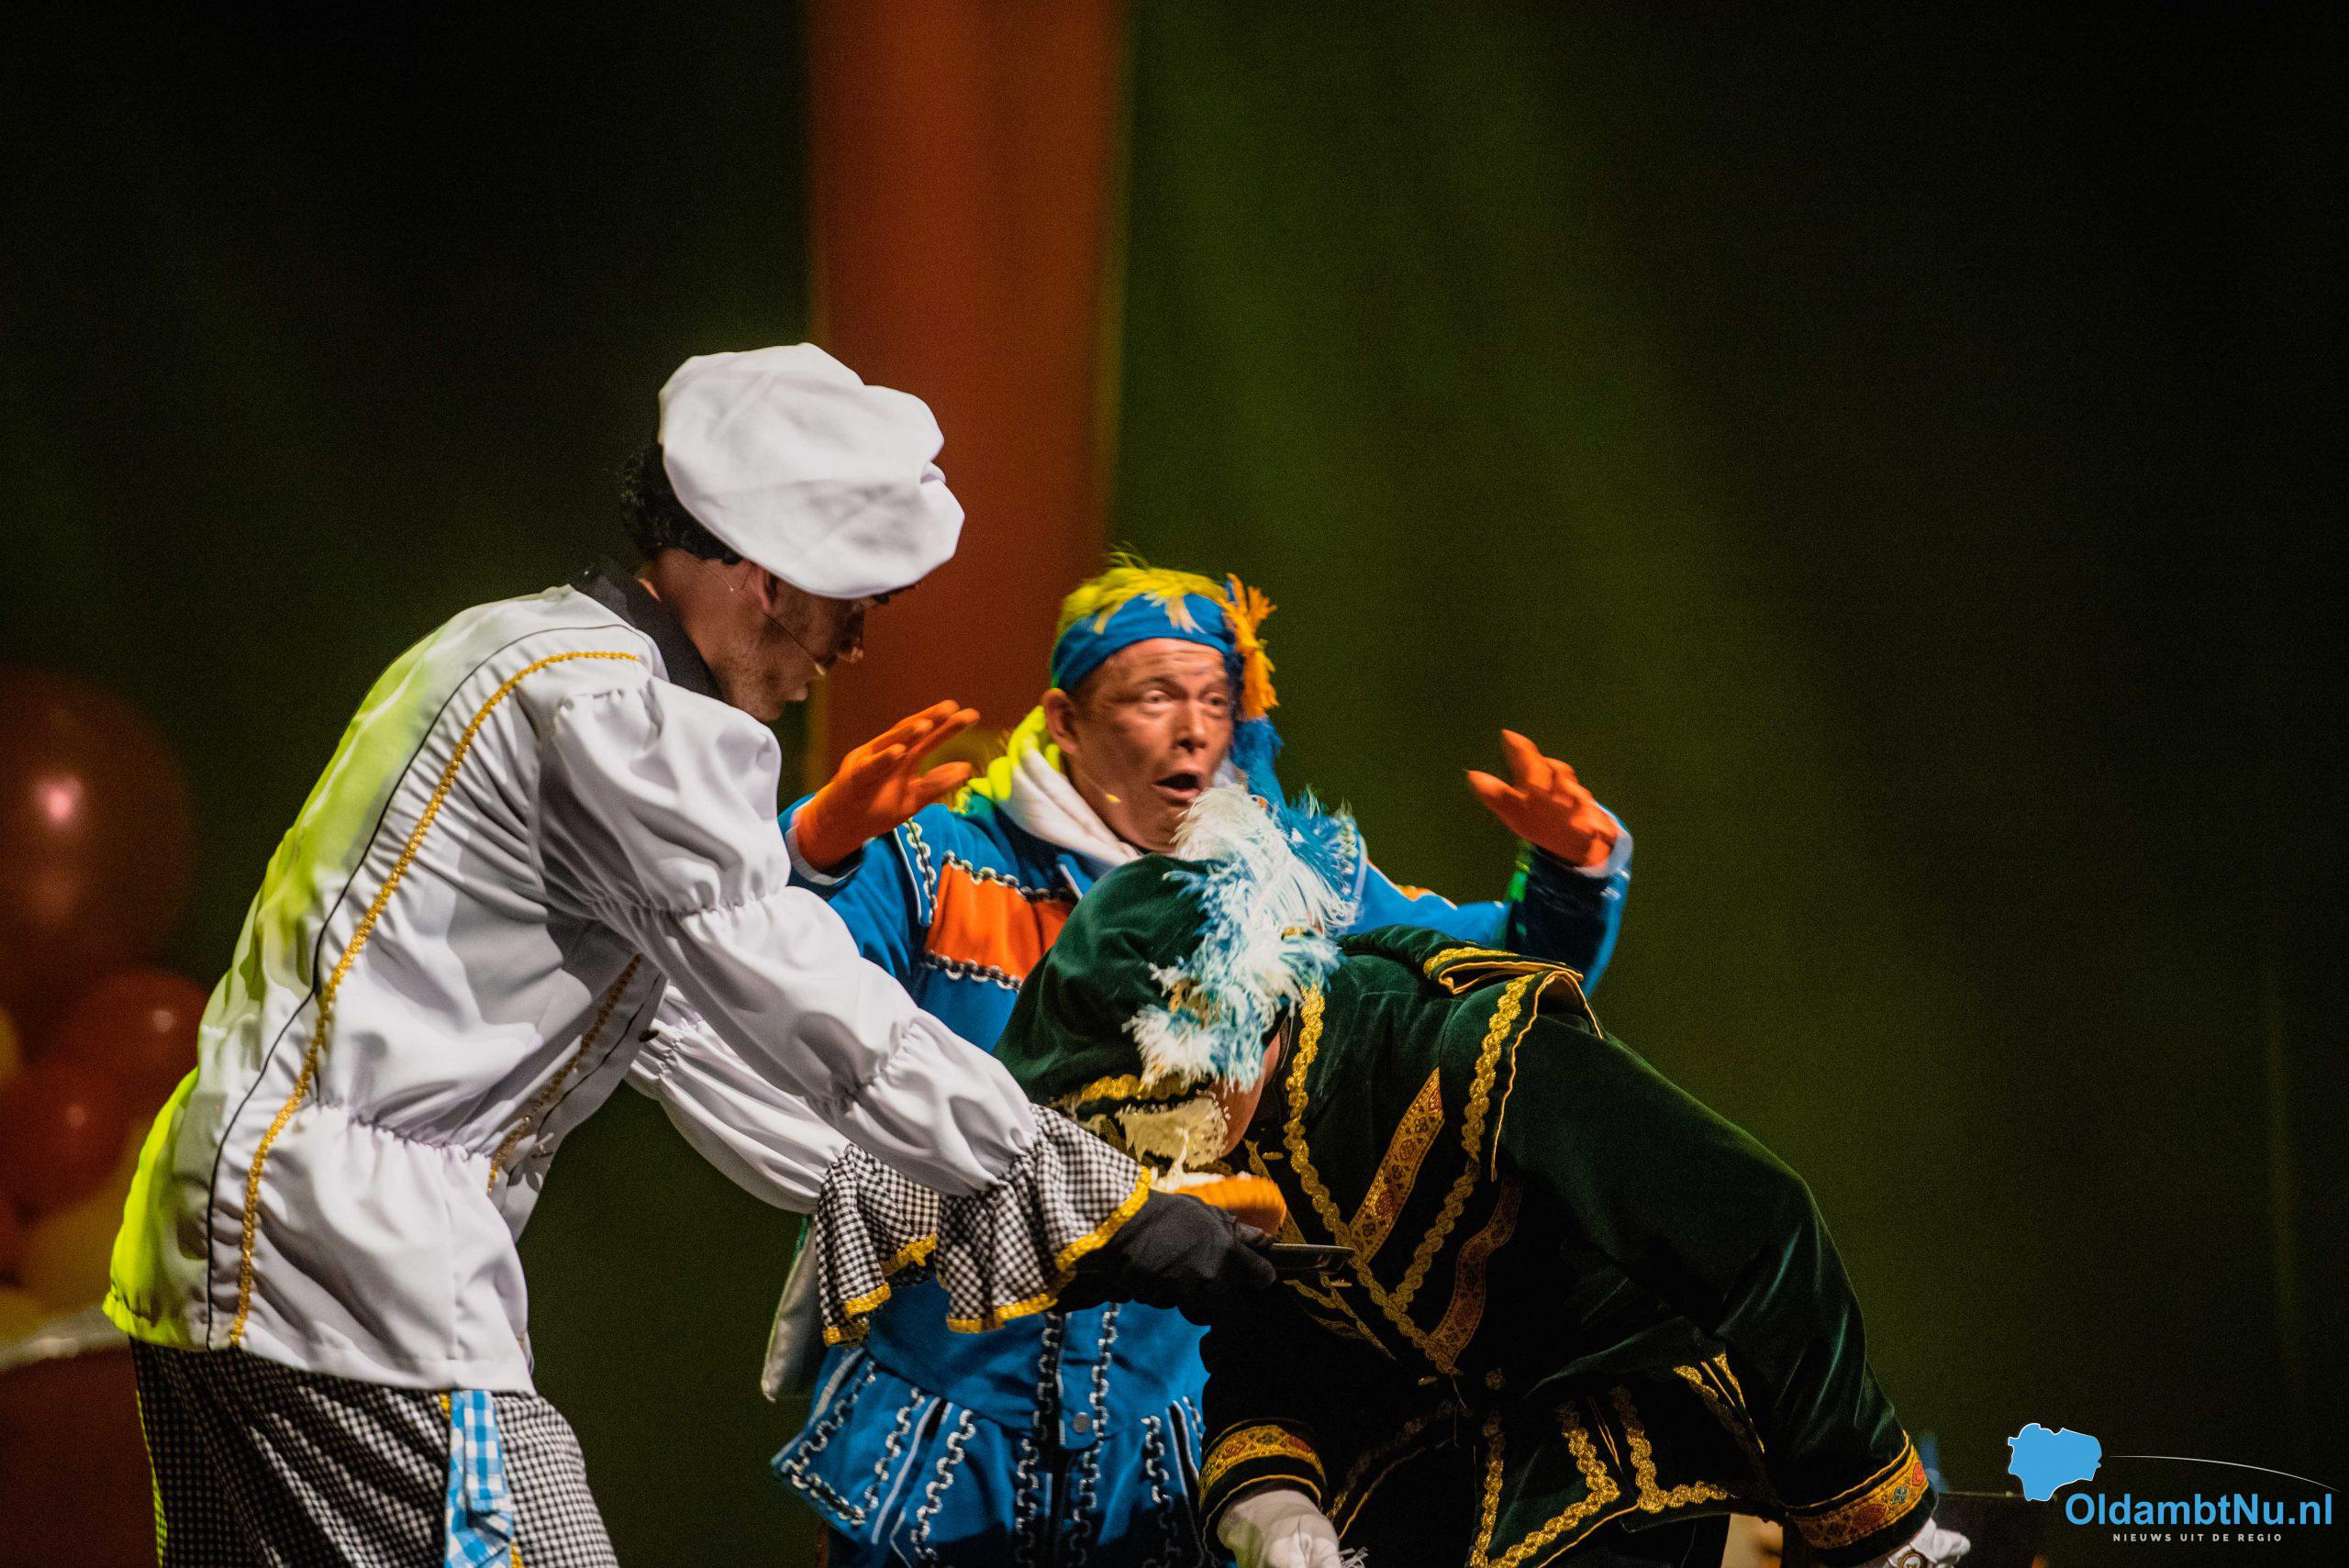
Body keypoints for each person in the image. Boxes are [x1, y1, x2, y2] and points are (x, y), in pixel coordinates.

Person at [101, 345, 1269, 1568]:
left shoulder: (514, 648)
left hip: (229, 1241)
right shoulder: (614, 710)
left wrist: (999, 1214)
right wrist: (1097, 1202)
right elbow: (806, 1006)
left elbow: (701, 1042)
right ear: (767, 576)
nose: (850, 647)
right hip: (341, 1267)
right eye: (850, 606)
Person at [766, 559, 1635, 1565]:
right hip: (950, 1404)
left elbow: (1478, 985)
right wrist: (818, 847)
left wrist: (1568, 878)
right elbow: (775, 975)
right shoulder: (941, 863)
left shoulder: (1284, 888)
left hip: (1163, 1427)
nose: (1192, 728)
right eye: (1153, 696)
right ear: (1065, 719)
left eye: (1214, 700)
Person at [993, 784, 1976, 1568]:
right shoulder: (1237, 1147)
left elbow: (1762, 1227)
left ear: (1216, 1025)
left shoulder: (1461, 1047)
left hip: (1639, 1428)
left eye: (1140, 1111)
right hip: (1439, 1461)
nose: (1150, 1155)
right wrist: (1276, 1505)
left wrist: (1868, 1523)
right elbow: (1275, 1354)